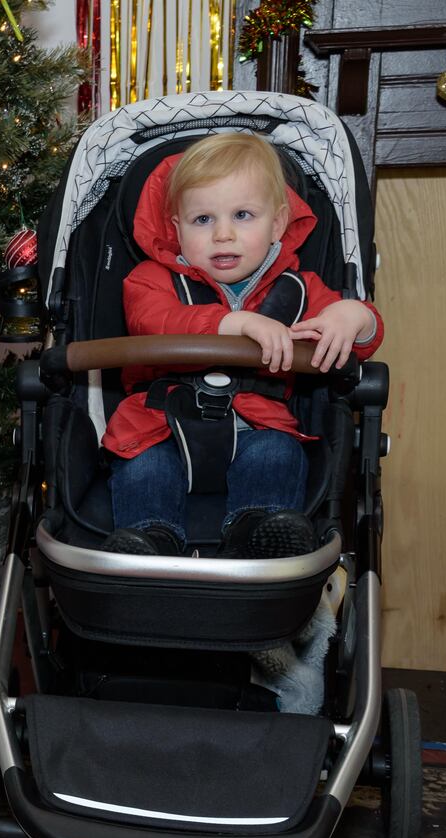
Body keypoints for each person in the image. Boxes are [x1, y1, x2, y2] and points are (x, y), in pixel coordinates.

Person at [102, 131, 384, 558]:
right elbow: (151, 320)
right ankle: (151, 537)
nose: (223, 235)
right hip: (160, 426)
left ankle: (259, 529)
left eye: (243, 215)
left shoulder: (302, 290)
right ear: (176, 230)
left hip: (258, 426)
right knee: (145, 469)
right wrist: (230, 322)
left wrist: (354, 317)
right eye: (203, 220)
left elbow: (364, 342)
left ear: (278, 223)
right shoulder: (151, 280)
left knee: (278, 454)